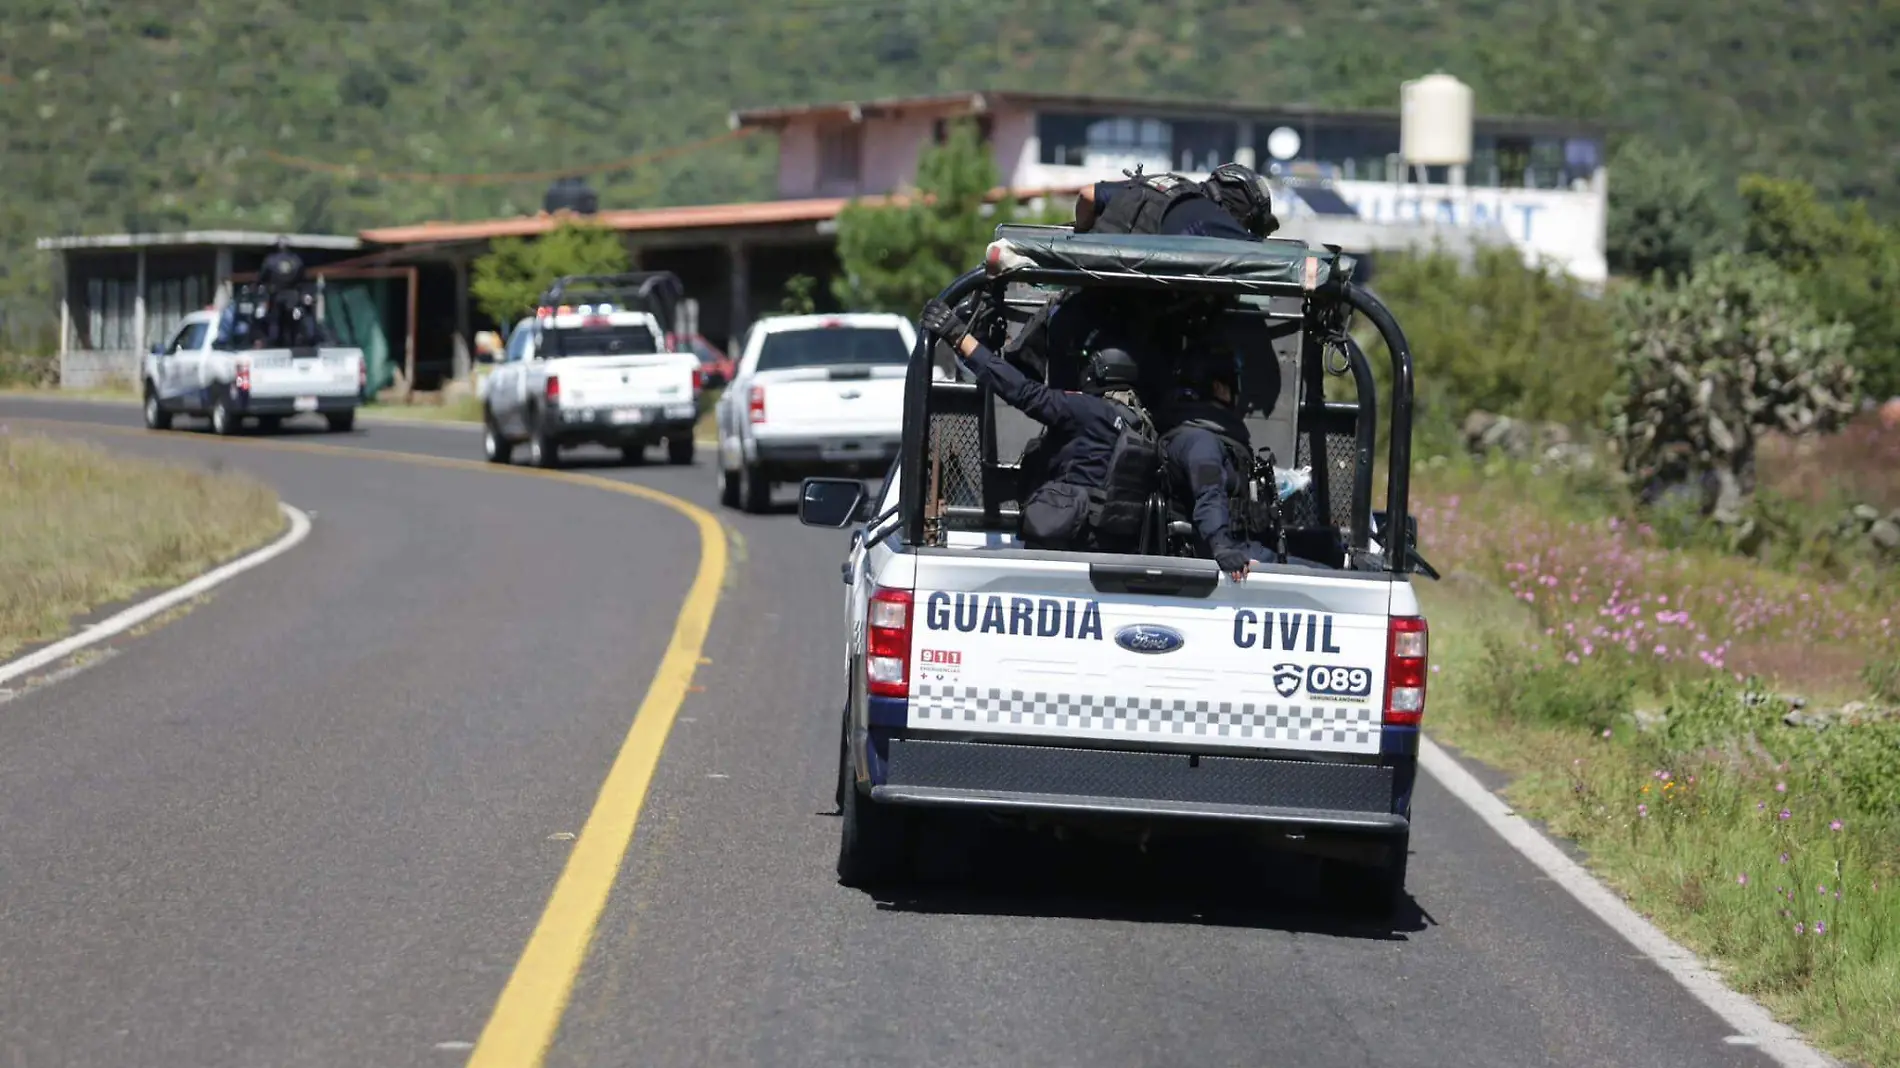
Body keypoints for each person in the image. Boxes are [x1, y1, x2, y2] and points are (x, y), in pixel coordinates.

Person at [921, 298, 1160, 553]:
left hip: (1068, 541)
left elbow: (1024, 393)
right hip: (1110, 547)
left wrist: (960, 338)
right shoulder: (1141, 424)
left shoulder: (1087, 410)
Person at [1157, 344, 1281, 580]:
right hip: (1224, 557)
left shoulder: (1199, 437)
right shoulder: (1200, 441)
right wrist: (1221, 546)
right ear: (1219, 388)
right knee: (1326, 575)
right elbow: (1209, 492)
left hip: (1240, 549)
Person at [1073, 162, 1279, 242]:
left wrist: (1088, 242)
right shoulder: (1211, 220)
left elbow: (1088, 195)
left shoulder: (1157, 184)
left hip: (1088, 296)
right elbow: (1261, 255)